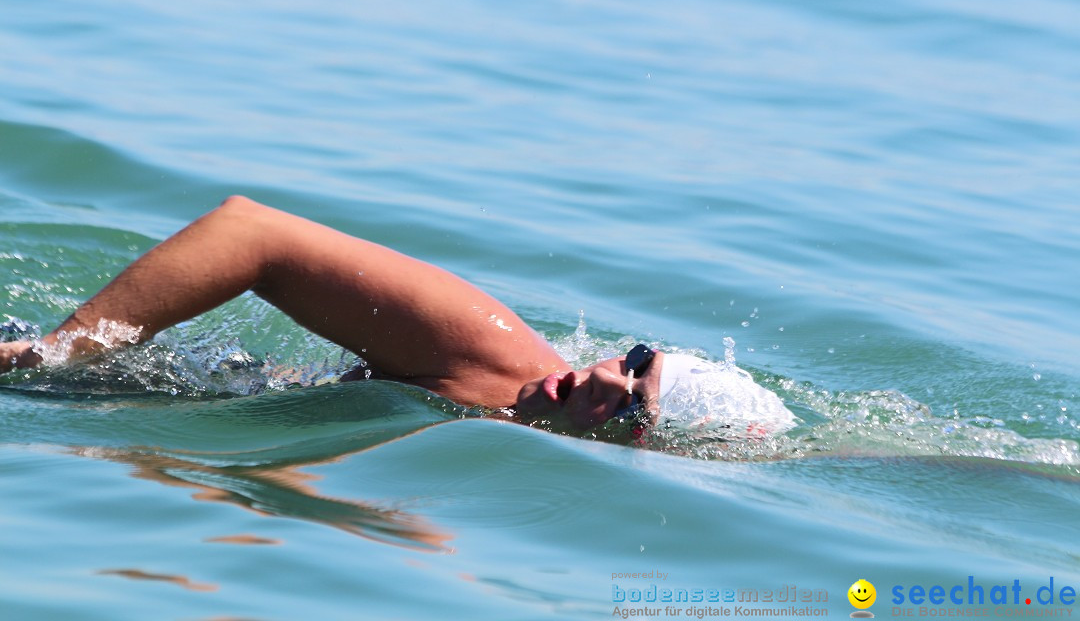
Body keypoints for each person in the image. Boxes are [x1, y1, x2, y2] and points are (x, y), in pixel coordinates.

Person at [1, 196, 795, 435]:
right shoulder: (497, 359)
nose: (598, 377)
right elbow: (253, 233)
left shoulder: (515, 425)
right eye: (631, 360)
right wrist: (55, 355)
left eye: (629, 402)